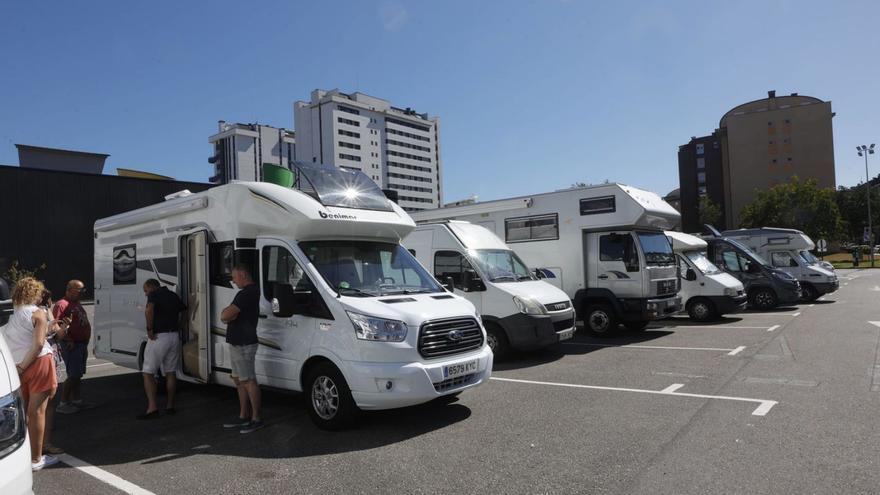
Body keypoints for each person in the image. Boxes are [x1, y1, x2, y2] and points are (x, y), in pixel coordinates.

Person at [2, 277, 59, 470]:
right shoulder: (38, 313)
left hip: (18, 365)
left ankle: (24, 455)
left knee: (25, 412)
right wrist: (24, 366)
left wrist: (19, 368)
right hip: (38, 363)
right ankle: (36, 459)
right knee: (38, 412)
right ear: (35, 293)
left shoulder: (12, 315)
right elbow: (39, 344)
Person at [220, 263, 264, 433]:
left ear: (244, 275)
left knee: (249, 381)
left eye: (235, 277)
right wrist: (229, 314)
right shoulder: (246, 293)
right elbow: (228, 314)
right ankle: (243, 415)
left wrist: (228, 315)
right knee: (239, 381)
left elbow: (225, 315)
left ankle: (256, 418)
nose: (233, 280)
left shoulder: (246, 293)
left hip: (244, 344)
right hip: (237, 343)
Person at [138, 279, 186, 419]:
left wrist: (149, 329)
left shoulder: (154, 294)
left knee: (148, 372)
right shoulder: (173, 295)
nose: (146, 295)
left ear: (151, 287)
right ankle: (170, 406)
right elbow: (185, 311)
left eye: (145, 291)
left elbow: (149, 310)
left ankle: (152, 408)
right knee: (170, 372)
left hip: (159, 337)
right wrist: (180, 326)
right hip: (174, 336)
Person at [53, 279, 93, 414]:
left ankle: (77, 401)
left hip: (81, 344)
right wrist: (68, 338)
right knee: (73, 375)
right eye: (79, 290)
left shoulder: (76, 304)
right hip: (72, 345)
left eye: (83, 290)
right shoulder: (61, 304)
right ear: (70, 289)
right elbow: (55, 325)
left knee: (78, 375)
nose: (82, 293)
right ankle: (63, 403)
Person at [39, 289, 69, 455]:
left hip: (40, 358)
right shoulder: (41, 312)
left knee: (42, 403)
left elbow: (59, 335)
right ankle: (43, 444)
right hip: (44, 358)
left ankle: (40, 443)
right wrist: (58, 327)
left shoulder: (43, 311)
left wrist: (63, 327)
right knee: (47, 404)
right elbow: (57, 334)